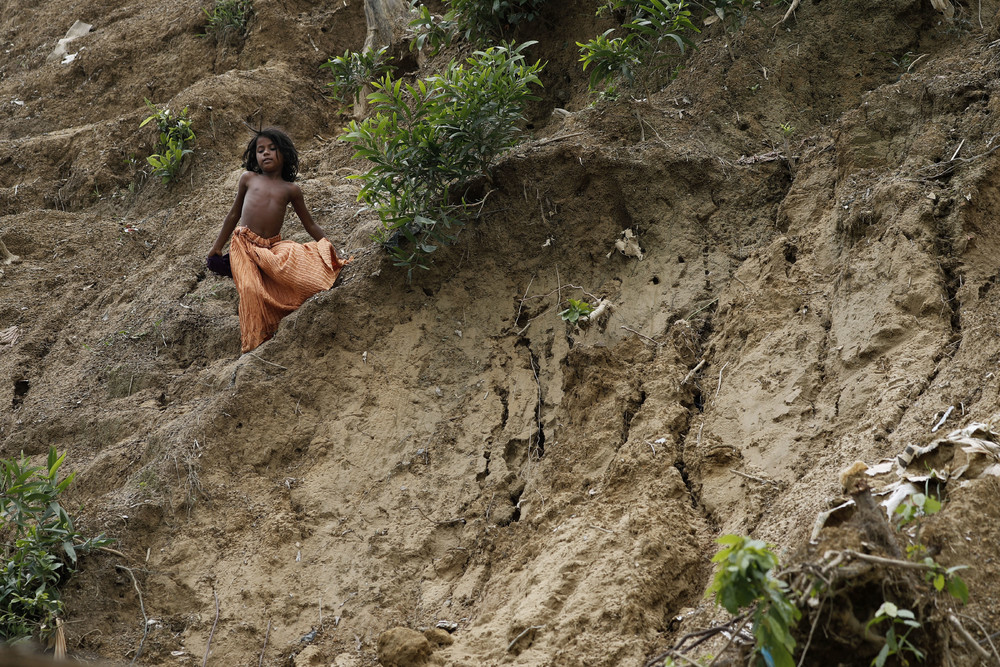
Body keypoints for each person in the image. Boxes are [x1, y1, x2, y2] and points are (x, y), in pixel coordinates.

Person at [207, 127, 350, 353]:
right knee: (251, 290)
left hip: (271, 246)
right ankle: (255, 340)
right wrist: (217, 247)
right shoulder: (248, 179)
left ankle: (281, 313)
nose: (266, 153)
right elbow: (233, 215)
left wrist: (330, 247)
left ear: (284, 154)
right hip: (243, 244)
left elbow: (309, 224)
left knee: (297, 263)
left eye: (272, 149)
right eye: (260, 150)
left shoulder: (291, 190)